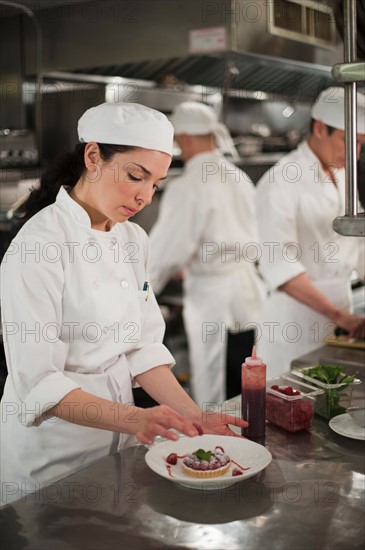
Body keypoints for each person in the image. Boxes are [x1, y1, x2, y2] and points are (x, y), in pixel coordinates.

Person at [0, 102, 247, 506]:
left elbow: (142, 348)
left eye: (156, 184)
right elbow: (38, 381)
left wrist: (195, 417)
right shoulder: (38, 245)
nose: (145, 196)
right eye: (136, 176)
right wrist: (139, 419)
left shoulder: (133, 239)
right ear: (93, 156)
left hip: (116, 449)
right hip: (50, 458)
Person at [149, 101, 265, 406]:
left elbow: (166, 251)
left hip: (213, 297)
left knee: (214, 387)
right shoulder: (239, 177)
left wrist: (141, 291)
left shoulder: (187, 186)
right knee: (248, 381)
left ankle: (217, 444)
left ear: (185, 138)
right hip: (249, 293)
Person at [256, 87, 365, 378]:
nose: (355, 153)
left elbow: (358, 245)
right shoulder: (280, 181)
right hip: (295, 320)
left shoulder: (343, 175)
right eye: (348, 140)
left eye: (361, 144)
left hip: (341, 314)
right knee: (288, 407)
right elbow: (279, 266)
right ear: (320, 128)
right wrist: (341, 316)